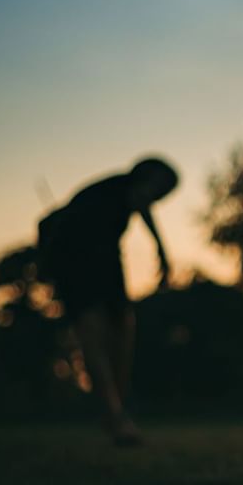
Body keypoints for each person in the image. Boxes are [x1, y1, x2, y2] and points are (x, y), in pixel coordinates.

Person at [38, 157, 178, 446]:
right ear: (147, 176)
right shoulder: (122, 188)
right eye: (161, 189)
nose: (157, 198)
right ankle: (114, 413)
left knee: (122, 326)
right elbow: (140, 200)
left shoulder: (111, 195)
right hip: (75, 260)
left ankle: (115, 408)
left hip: (104, 260)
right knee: (93, 333)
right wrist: (162, 250)